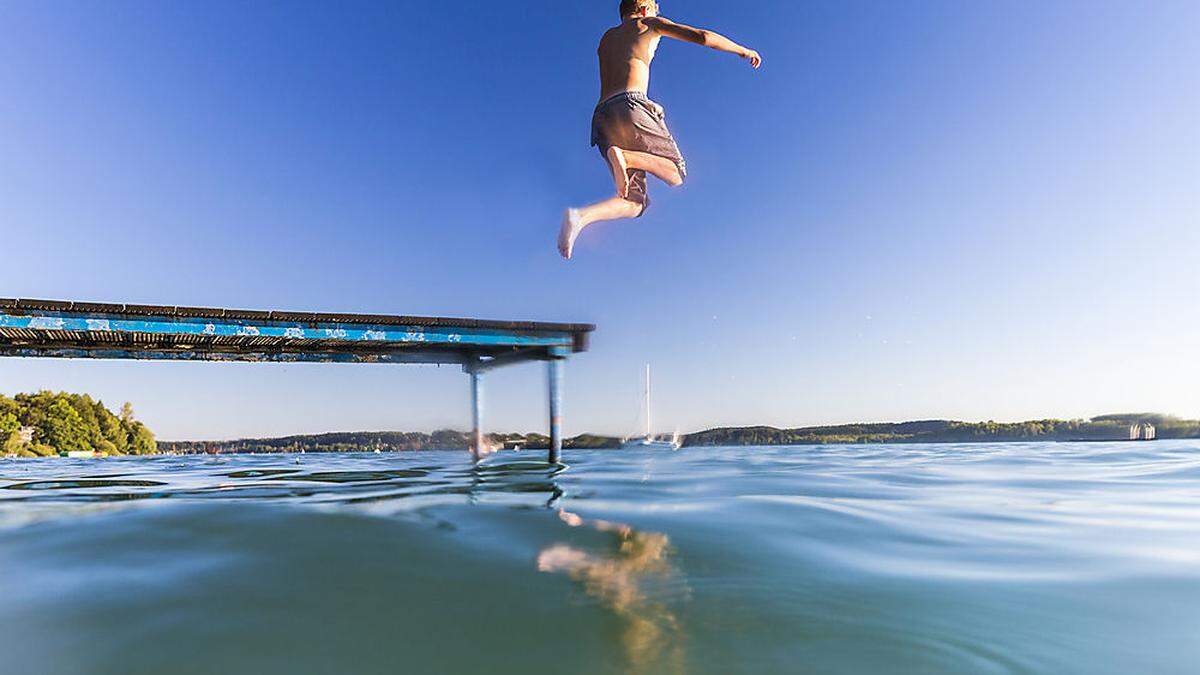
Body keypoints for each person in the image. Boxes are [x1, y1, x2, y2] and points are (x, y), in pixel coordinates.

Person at [558, 0, 762, 259]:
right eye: (656, 9)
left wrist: (648, 105)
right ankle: (626, 155)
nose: (659, 14)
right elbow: (703, 37)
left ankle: (579, 217)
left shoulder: (606, 39)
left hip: (603, 116)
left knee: (634, 203)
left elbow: (620, 77)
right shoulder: (648, 23)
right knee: (677, 172)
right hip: (631, 104)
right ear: (645, 10)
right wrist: (743, 50)